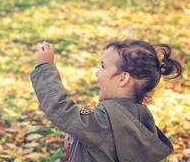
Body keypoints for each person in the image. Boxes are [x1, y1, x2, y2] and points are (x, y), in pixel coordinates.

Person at [30, 39, 182, 162]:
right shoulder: (140, 119)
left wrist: (45, 66)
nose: (97, 73)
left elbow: (62, 110)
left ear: (123, 79)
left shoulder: (105, 121)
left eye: (103, 67)